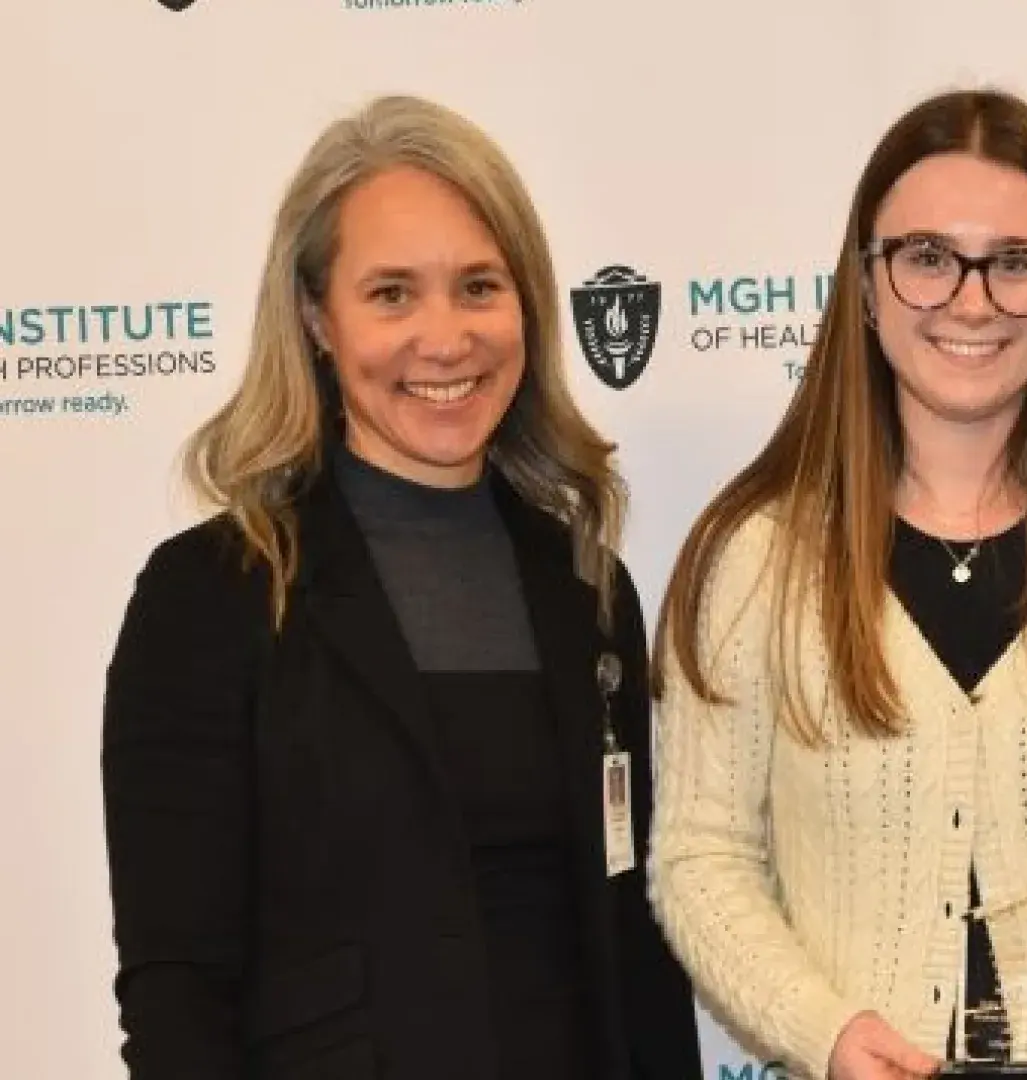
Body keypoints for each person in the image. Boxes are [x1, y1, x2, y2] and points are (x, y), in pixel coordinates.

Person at [100, 95, 701, 1080]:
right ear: (316, 317)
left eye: (478, 286)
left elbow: (634, 951)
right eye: (391, 294)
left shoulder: (587, 589)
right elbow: (176, 991)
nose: (445, 337)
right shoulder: (209, 597)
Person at [647, 89, 1027, 1080]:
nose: (971, 301)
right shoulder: (754, 560)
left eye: (1014, 263)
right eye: (928, 258)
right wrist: (824, 1031)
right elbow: (703, 856)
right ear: (868, 284)